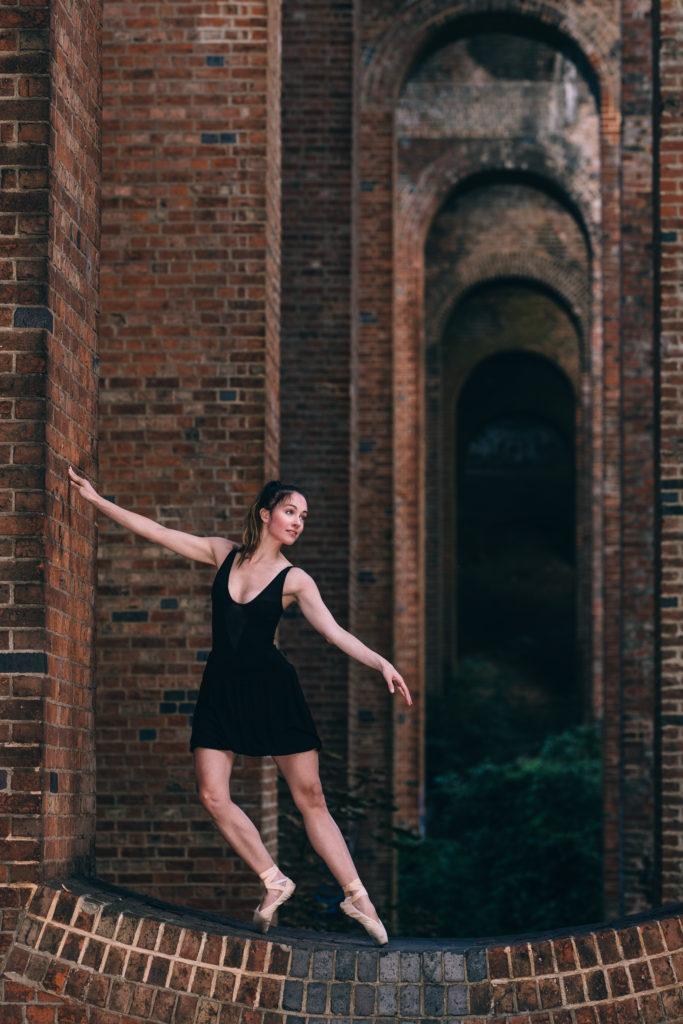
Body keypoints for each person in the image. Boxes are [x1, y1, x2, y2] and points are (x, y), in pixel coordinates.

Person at [68, 468, 412, 945]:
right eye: (291, 512)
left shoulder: (296, 579)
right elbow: (160, 532)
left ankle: (356, 895)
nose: (298, 522)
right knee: (212, 793)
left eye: (304, 517)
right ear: (267, 514)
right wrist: (98, 501)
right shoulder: (221, 552)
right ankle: (273, 879)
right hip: (222, 688)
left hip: (273, 689)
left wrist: (381, 664)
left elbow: (333, 632)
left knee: (310, 797)